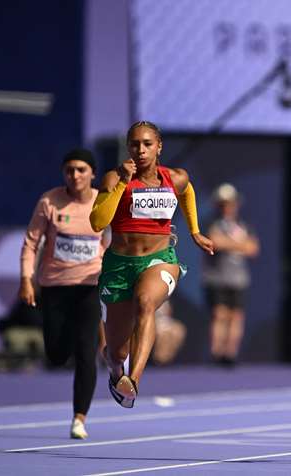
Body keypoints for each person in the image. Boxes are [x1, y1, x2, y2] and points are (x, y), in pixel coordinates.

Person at [89, 120, 214, 408]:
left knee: (145, 302)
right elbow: (97, 222)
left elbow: (187, 191)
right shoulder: (113, 178)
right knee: (114, 352)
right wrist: (122, 182)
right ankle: (117, 373)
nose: (141, 150)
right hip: (120, 266)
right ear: (128, 148)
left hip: (160, 260)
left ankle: (134, 379)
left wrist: (194, 231)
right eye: (135, 144)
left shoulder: (174, 177)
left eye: (147, 144)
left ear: (159, 147)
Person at [19, 148, 110, 439]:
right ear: (64, 173)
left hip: (88, 285)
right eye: (69, 170)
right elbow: (31, 243)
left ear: (92, 174)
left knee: (87, 353)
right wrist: (26, 279)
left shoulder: (102, 202)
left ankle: (79, 418)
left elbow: (116, 239)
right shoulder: (49, 201)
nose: (75, 175)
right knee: (56, 355)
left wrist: (108, 262)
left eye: (81, 169)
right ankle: (66, 337)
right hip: (55, 287)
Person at [202, 183, 260, 367]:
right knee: (219, 314)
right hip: (217, 277)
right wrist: (239, 244)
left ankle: (230, 353)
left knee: (236, 316)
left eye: (230, 202)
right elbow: (214, 242)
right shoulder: (212, 222)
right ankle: (217, 352)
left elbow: (253, 248)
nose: (227, 206)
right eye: (223, 203)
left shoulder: (243, 225)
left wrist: (229, 243)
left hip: (238, 278)